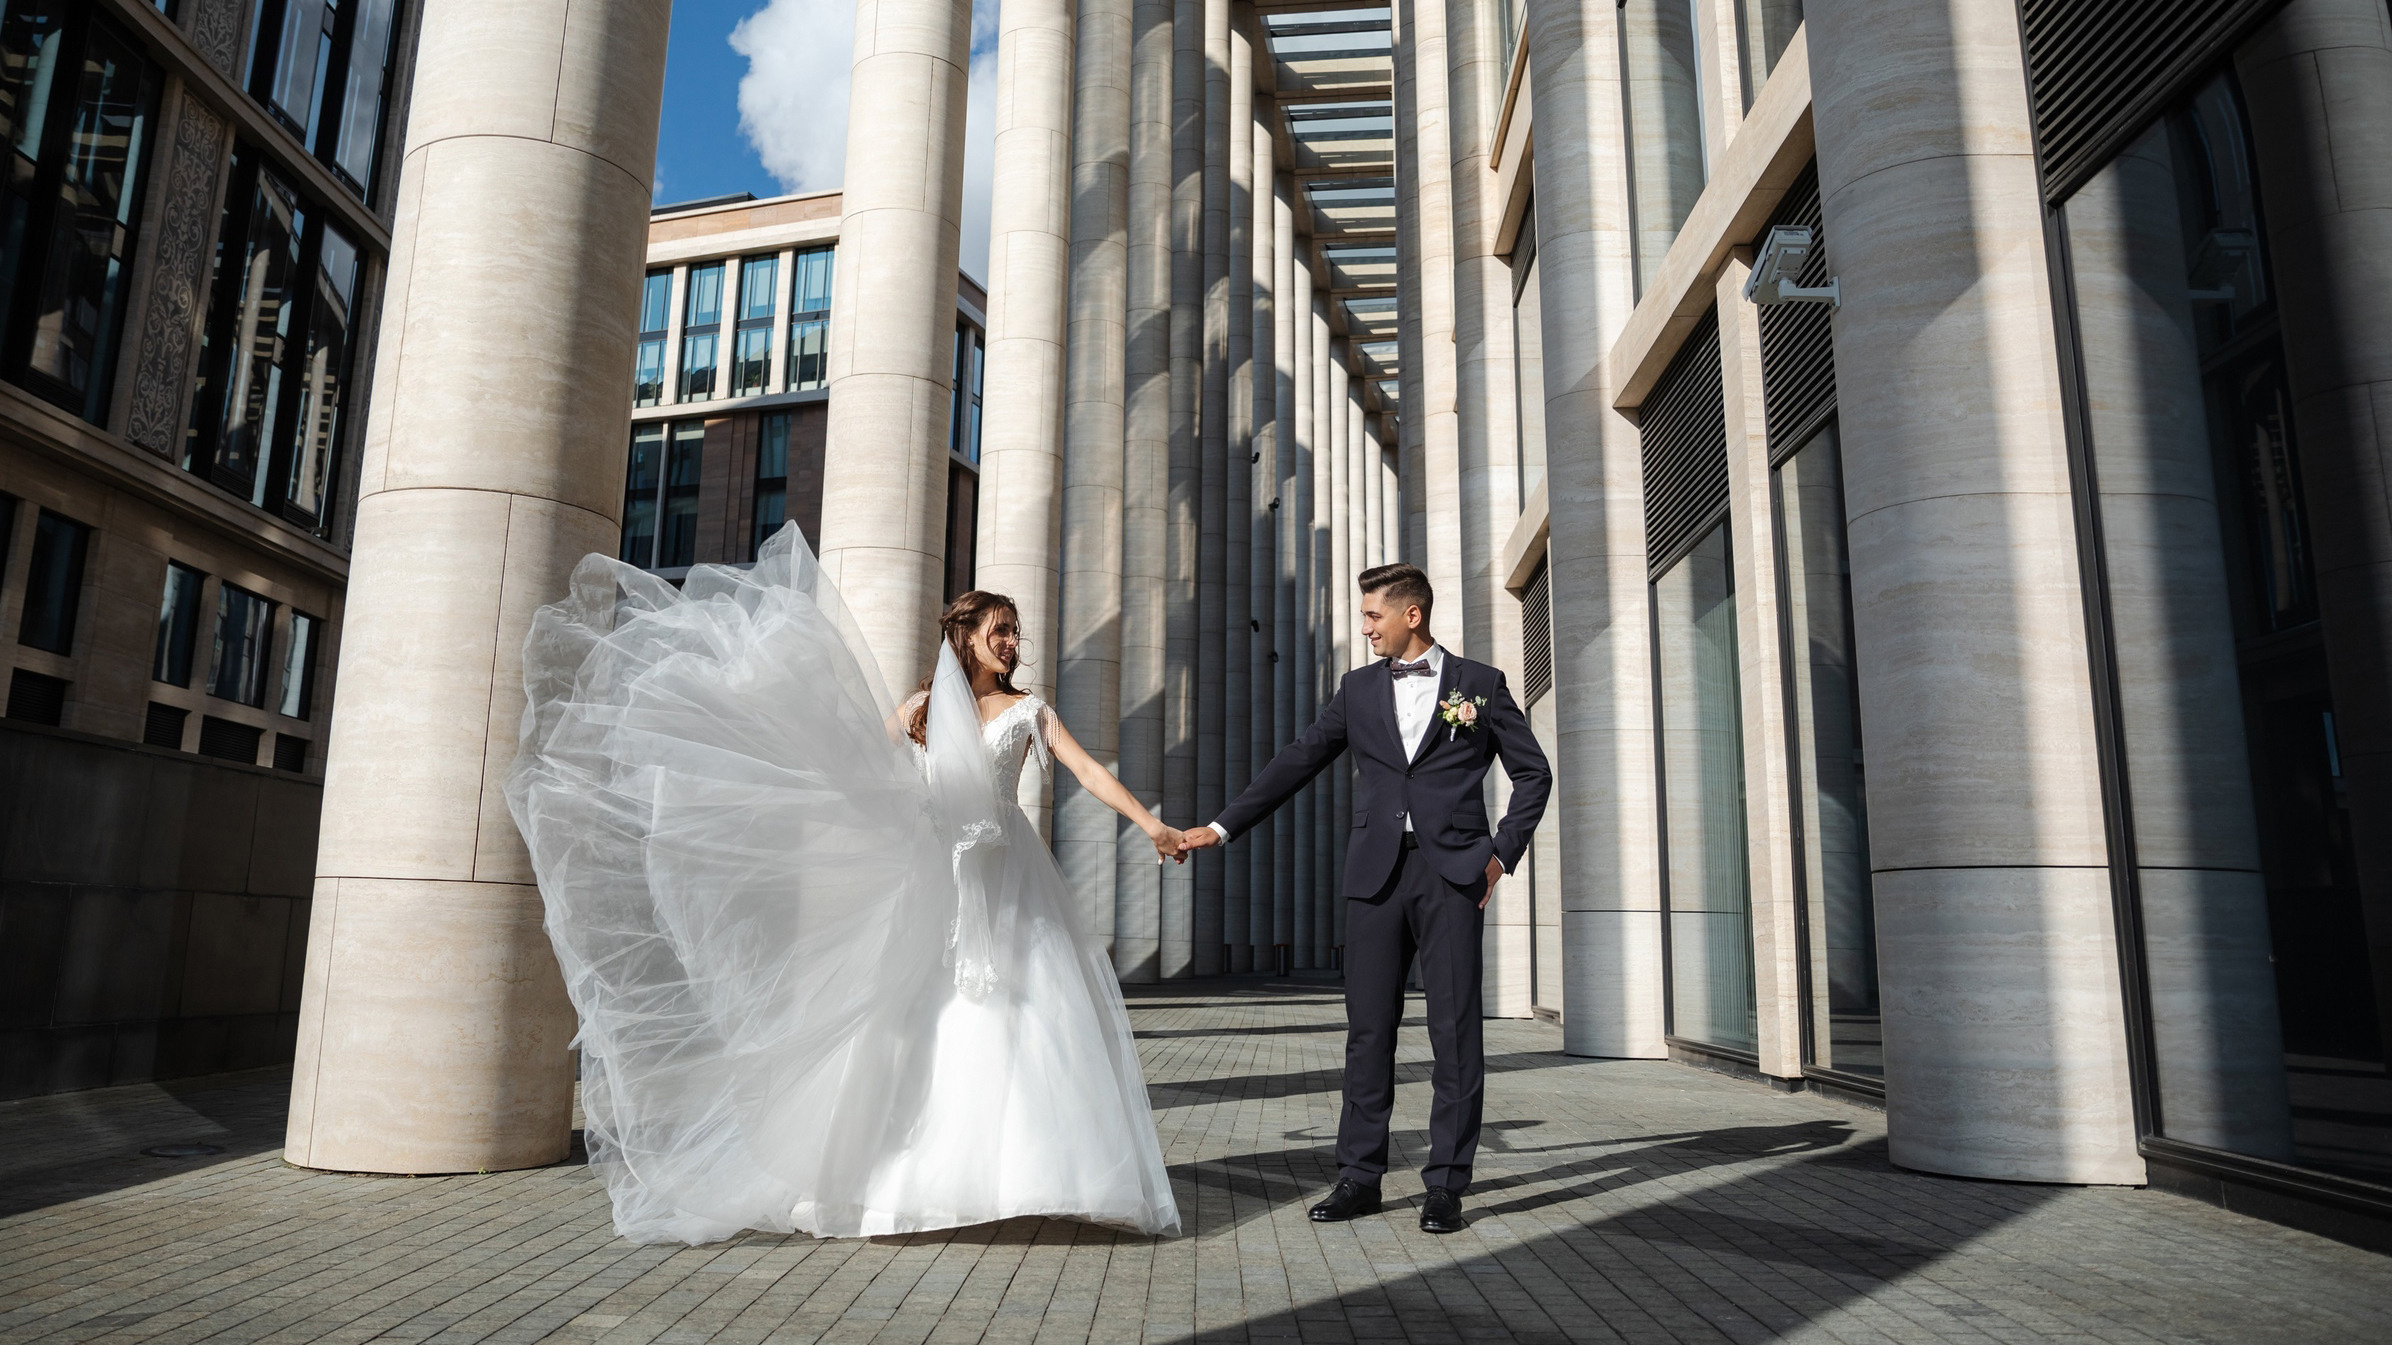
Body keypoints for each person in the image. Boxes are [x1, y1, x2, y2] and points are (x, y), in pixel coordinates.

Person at [507, 523, 1183, 1244]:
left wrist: (1151, 824)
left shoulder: (1028, 711)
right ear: (968, 636)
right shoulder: (919, 708)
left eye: (1015, 632)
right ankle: (901, 1170)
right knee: (915, 1011)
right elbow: (857, 767)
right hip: (932, 869)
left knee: (1021, 1007)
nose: (1012, 643)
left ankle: (1028, 1171)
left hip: (1008, 872)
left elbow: (1088, 771)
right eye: (1000, 630)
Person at [1178, 562, 1549, 1234]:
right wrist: (1223, 824)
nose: (1364, 626)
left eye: (1373, 614)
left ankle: (1445, 1185)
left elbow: (1533, 773)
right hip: (1374, 878)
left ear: (1412, 614)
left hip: (1453, 874)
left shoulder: (1480, 686)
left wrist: (1500, 855)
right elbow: (1297, 758)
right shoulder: (1355, 691)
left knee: (1455, 1034)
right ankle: (1359, 1176)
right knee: (1368, 1033)